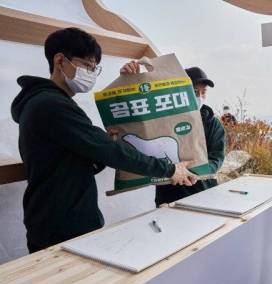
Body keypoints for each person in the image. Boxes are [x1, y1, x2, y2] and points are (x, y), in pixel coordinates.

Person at [11, 27, 197, 253]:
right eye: (87, 66)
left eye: (94, 68)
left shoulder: (48, 102)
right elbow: (110, 151)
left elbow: (76, 160)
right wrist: (169, 170)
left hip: (55, 219)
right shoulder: (51, 105)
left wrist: (100, 149)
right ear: (60, 60)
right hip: (62, 227)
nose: (90, 74)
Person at [150, 66, 226, 205]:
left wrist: (197, 172)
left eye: (203, 92)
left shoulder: (212, 124)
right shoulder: (163, 121)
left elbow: (216, 158)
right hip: (169, 196)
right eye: (195, 91)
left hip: (204, 193)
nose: (199, 97)